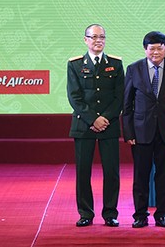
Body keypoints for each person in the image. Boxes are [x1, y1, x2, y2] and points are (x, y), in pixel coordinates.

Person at [123, 31, 165, 228]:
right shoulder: (133, 69)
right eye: (152, 48)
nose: (156, 52)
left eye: (160, 48)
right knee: (141, 176)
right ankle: (140, 215)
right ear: (145, 49)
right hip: (141, 132)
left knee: (164, 176)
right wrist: (129, 132)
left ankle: (162, 214)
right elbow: (127, 104)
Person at [67, 24, 124, 227]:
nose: (98, 40)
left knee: (112, 172)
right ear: (86, 40)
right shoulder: (75, 64)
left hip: (109, 125)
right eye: (93, 37)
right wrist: (93, 119)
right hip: (84, 126)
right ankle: (85, 213)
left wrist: (105, 118)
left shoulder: (116, 64)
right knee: (83, 172)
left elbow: (119, 97)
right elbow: (74, 97)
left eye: (101, 37)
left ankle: (110, 213)